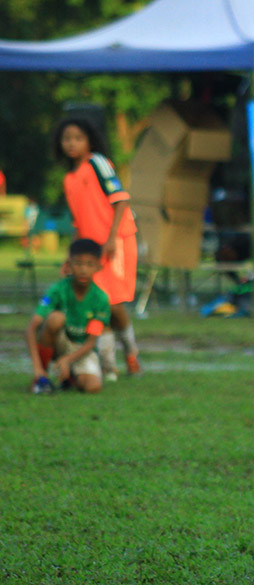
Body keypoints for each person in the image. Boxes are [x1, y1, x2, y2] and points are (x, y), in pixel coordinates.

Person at [54, 117, 141, 380]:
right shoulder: (70, 178)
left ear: (89, 140)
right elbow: (78, 223)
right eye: (67, 138)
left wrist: (113, 237)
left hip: (116, 242)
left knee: (113, 304)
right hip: (89, 251)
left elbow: (121, 200)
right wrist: (71, 256)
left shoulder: (97, 163)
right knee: (96, 303)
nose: (72, 143)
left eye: (78, 138)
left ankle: (130, 351)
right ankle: (108, 366)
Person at [25, 238, 111, 395]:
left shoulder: (101, 298)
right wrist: (37, 368)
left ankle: (69, 376)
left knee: (93, 387)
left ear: (99, 266)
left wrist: (68, 360)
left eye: (89, 264)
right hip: (59, 342)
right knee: (55, 319)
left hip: (81, 348)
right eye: (78, 264)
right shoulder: (58, 290)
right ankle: (42, 376)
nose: (83, 269)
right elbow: (32, 328)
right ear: (69, 265)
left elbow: (91, 342)